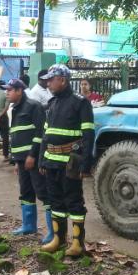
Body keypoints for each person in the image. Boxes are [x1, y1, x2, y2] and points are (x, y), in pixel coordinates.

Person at [39, 64, 95, 257]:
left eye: (51, 79)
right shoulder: (52, 103)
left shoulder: (80, 102)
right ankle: (59, 239)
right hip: (51, 162)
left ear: (62, 80)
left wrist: (86, 164)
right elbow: (45, 134)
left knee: (74, 201)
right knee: (55, 201)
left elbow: (88, 135)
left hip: (70, 163)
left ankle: (78, 243)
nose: (48, 83)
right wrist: (42, 159)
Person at [5, 79, 51, 240]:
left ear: (19, 91)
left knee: (43, 192)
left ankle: (53, 232)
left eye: (9, 90)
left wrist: (32, 155)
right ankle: (28, 225)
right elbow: (16, 134)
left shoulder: (33, 106)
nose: (6, 93)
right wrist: (16, 161)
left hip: (33, 159)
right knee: (25, 192)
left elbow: (40, 134)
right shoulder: (15, 109)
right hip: (21, 160)